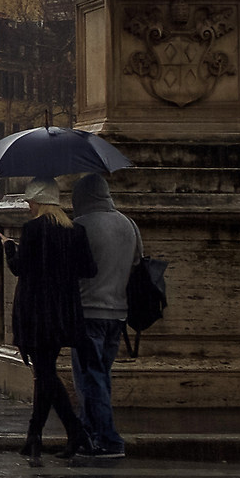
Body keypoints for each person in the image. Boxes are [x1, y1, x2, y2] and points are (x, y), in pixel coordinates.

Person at [5, 182, 97, 464]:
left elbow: (19, 268)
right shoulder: (75, 230)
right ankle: (34, 436)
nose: (29, 207)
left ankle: (74, 430)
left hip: (35, 310)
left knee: (44, 374)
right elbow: (88, 269)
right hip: (62, 312)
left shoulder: (33, 229)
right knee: (45, 372)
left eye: (30, 202)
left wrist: (9, 247)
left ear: (38, 203)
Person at [71, 173, 140, 460]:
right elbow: (137, 263)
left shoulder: (81, 225)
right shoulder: (128, 224)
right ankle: (90, 433)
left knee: (90, 377)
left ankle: (109, 438)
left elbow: (71, 270)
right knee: (101, 375)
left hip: (88, 311)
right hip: (119, 313)